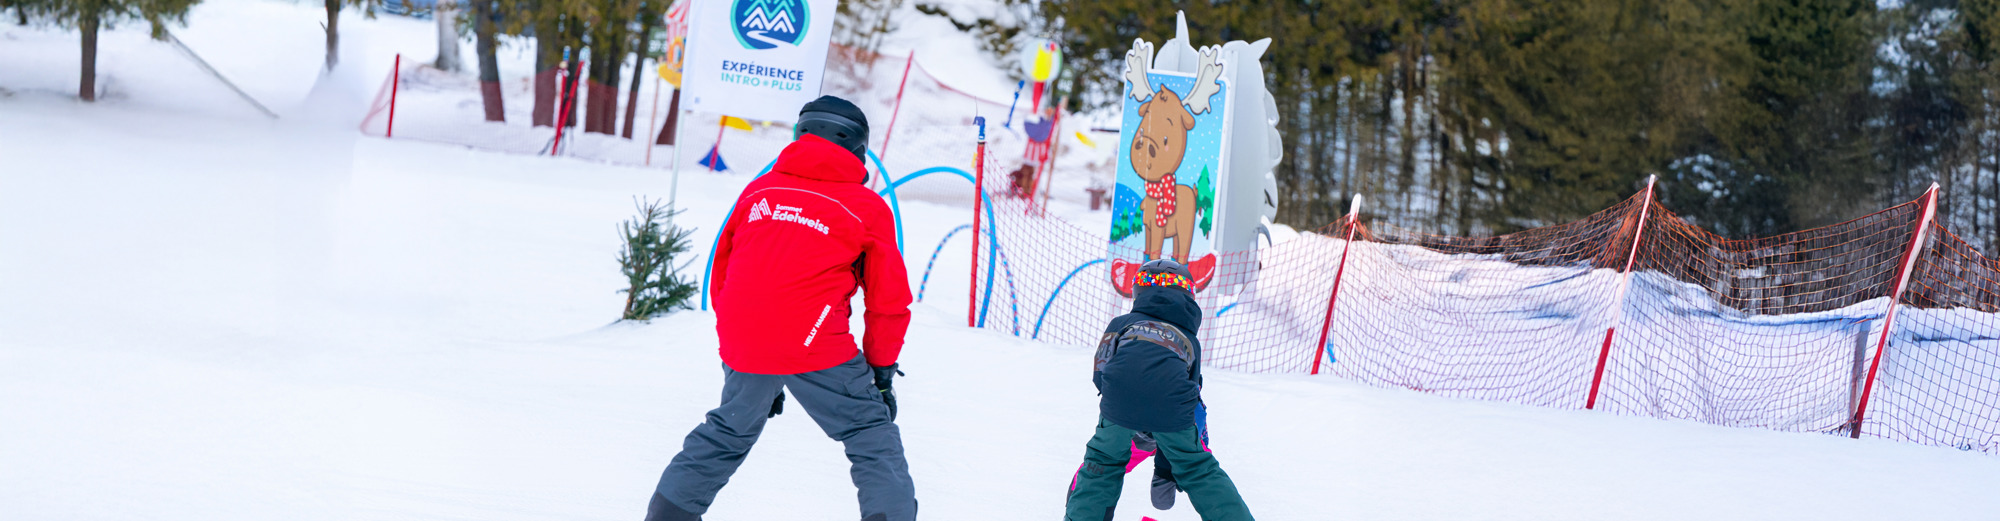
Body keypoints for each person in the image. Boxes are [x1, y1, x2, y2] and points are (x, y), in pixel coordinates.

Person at [646, 96, 917, 521]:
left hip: (748, 340)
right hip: (814, 344)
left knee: (728, 431)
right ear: (858, 149)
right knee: (870, 434)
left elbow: (724, 274)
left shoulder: (759, 191)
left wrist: (748, 357)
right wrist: (881, 374)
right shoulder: (865, 208)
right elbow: (888, 302)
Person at [1064, 259, 1253, 521]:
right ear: (1188, 296)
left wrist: (1120, 404)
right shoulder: (1189, 338)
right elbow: (1193, 389)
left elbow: (1100, 370)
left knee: (1103, 462)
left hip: (1120, 396)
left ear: (1138, 292)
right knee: (1198, 469)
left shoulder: (1121, 322)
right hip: (1172, 407)